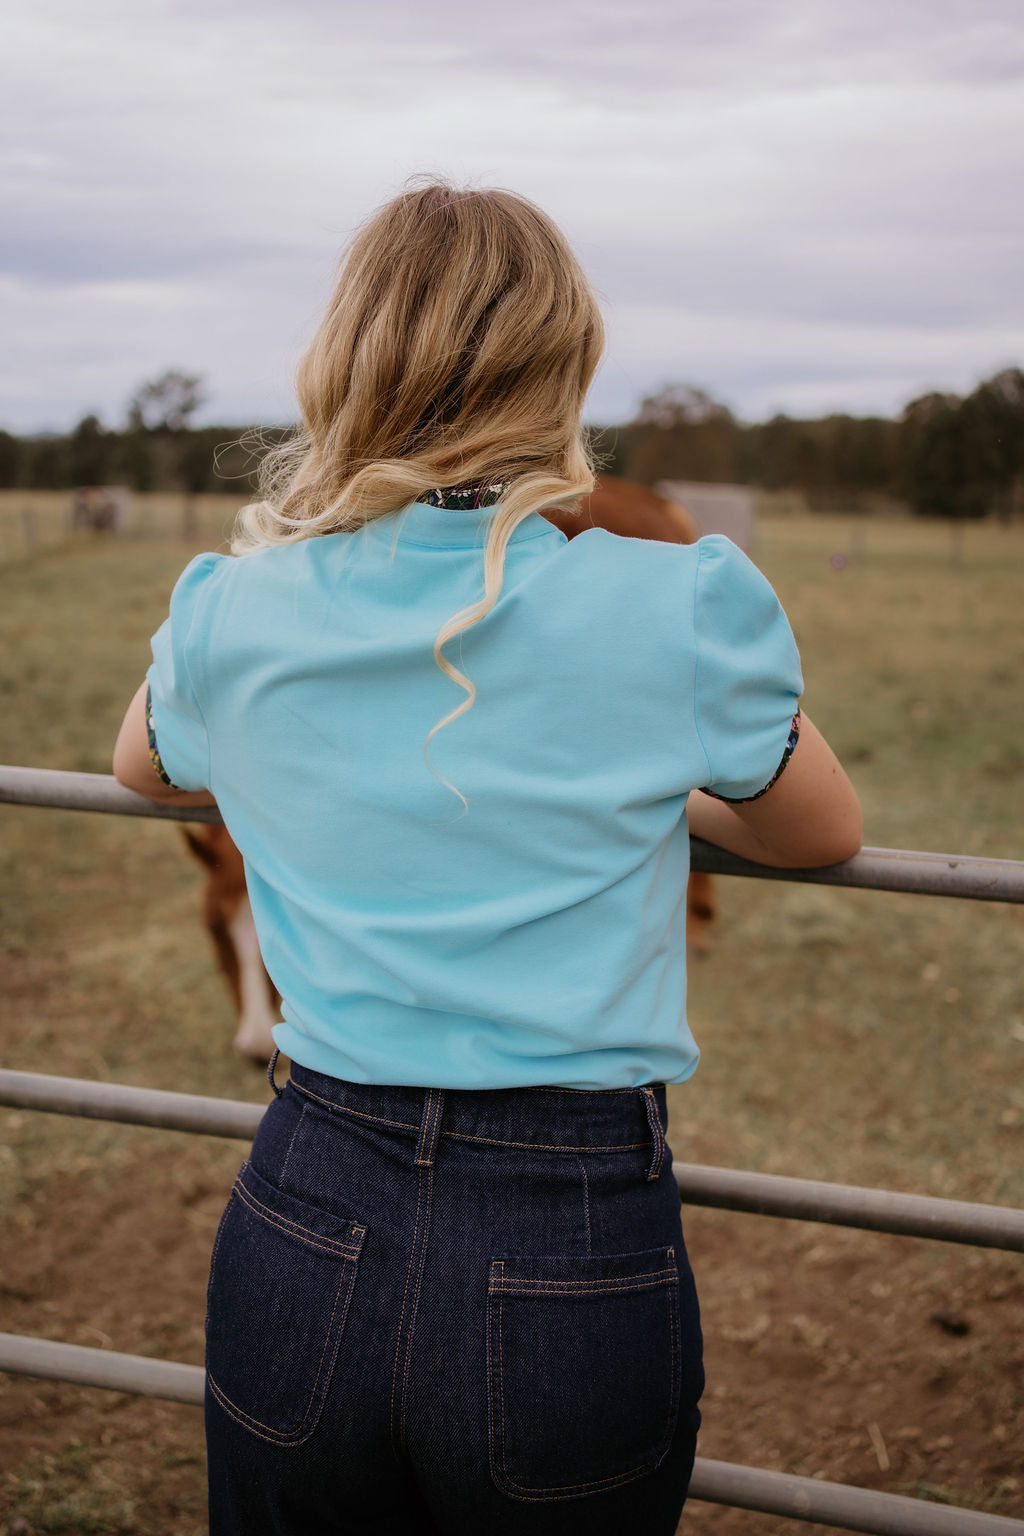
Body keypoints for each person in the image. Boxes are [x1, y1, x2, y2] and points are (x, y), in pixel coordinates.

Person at [113, 181, 861, 1536]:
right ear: (563, 367)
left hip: (304, 1197)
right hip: (570, 1225)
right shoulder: (678, 595)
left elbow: (143, 765)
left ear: (344, 366)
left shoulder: (236, 604)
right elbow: (822, 829)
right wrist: (633, 801)